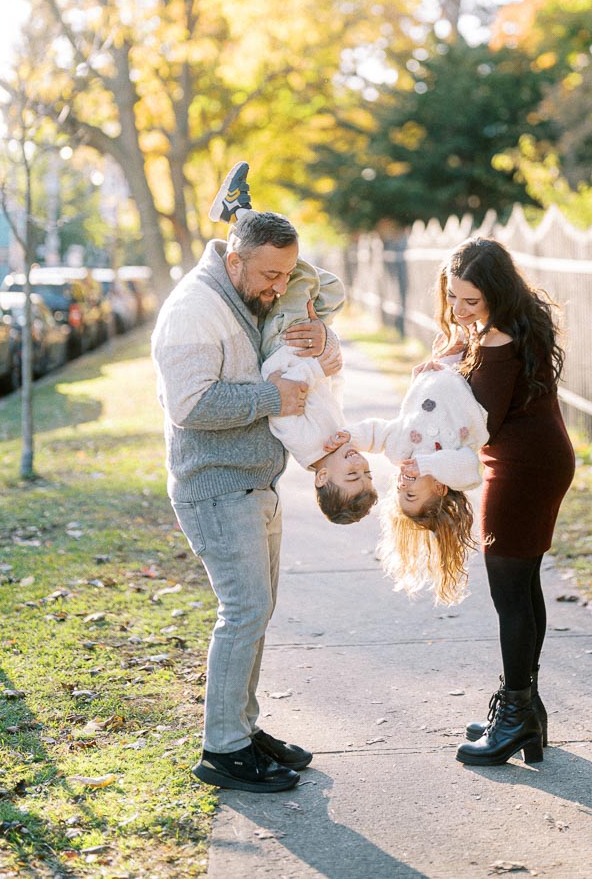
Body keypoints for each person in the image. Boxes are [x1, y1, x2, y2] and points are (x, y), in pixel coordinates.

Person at [151, 206, 342, 793]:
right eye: (270, 276)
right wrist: (270, 397)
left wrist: (324, 339)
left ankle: (243, 728)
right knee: (243, 613)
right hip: (216, 486)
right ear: (234, 260)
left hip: (255, 481)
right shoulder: (194, 309)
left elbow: (307, 335)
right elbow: (189, 406)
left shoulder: (246, 295)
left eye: (286, 275)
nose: (279, 287)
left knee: (256, 614)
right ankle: (223, 750)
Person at [420, 236, 575, 767]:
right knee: (524, 586)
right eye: (454, 299)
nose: (460, 311)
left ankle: (515, 715)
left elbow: (476, 426)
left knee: (510, 594)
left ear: (495, 295)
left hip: (521, 469)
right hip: (537, 460)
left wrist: (440, 372)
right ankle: (525, 709)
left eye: (471, 302)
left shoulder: (498, 337)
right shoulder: (509, 324)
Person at [349, 366, 488, 604]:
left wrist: (347, 436)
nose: (402, 485)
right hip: (463, 374)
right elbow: (469, 469)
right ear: (440, 488)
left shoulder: (400, 452)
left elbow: (378, 433)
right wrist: (425, 466)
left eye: (399, 491)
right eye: (410, 495)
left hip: (435, 371)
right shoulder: (453, 464)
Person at [260, 259, 378, 523]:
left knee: (302, 281)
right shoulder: (335, 442)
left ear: (322, 477)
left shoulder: (306, 444)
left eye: (352, 475)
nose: (359, 464)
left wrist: (314, 369)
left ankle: (257, 237)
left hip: (286, 344)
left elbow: (280, 399)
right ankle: (277, 253)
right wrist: (331, 360)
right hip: (307, 348)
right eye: (367, 473)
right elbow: (333, 392)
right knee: (334, 291)